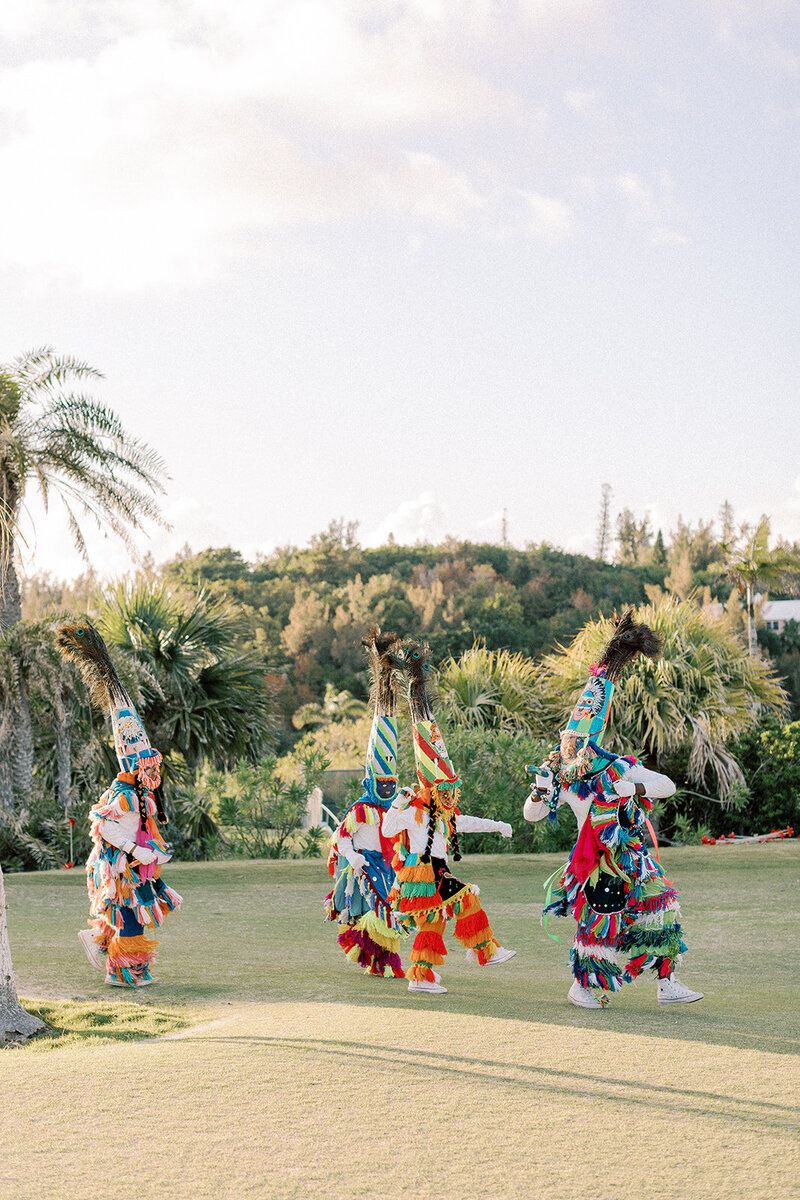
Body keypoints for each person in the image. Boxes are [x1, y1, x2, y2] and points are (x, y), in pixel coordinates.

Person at [524, 609, 703, 1010]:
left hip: (635, 857)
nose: (571, 753)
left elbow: (668, 786)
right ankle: (582, 987)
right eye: (568, 746)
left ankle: (667, 983)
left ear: (592, 745)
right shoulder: (562, 776)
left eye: (578, 747)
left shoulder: (619, 767)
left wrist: (632, 786)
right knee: (600, 922)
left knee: (663, 908)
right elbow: (531, 816)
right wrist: (538, 794)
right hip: (597, 864)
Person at [384, 639, 515, 995]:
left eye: (453, 791)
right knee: (466, 898)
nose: (451, 797)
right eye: (445, 791)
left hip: (433, 869)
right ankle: (484, 951)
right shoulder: (416, 811)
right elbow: (388, 828)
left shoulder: (447, 815)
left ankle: (421, 976)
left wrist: (499, 826)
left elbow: (469, 822)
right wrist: (398, 803)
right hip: (424, 871)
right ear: (433, 790)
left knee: (433, 925)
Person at [57, 622, 181, 988]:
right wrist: (132, 851)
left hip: (129, 864)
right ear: (136, 765)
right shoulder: (126, 793)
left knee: (130, 916)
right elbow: (104, 827)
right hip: (121, 867)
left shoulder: (138, 792)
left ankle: (104, 948)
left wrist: (148, 853)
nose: (154, 770)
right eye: (149, 765)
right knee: (129, 918)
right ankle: (122, 974)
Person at [325, 628, 406, 978]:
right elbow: (341, 836)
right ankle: (373, 957)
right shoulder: (360, 809)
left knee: (390, 909)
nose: (388, 787)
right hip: (363, 866)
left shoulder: (396, 808)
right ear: (371, 781)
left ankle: (385, 958)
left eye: (392, 782)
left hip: (390, 865)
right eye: (382, 783)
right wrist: (353, 856)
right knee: (366, 911)